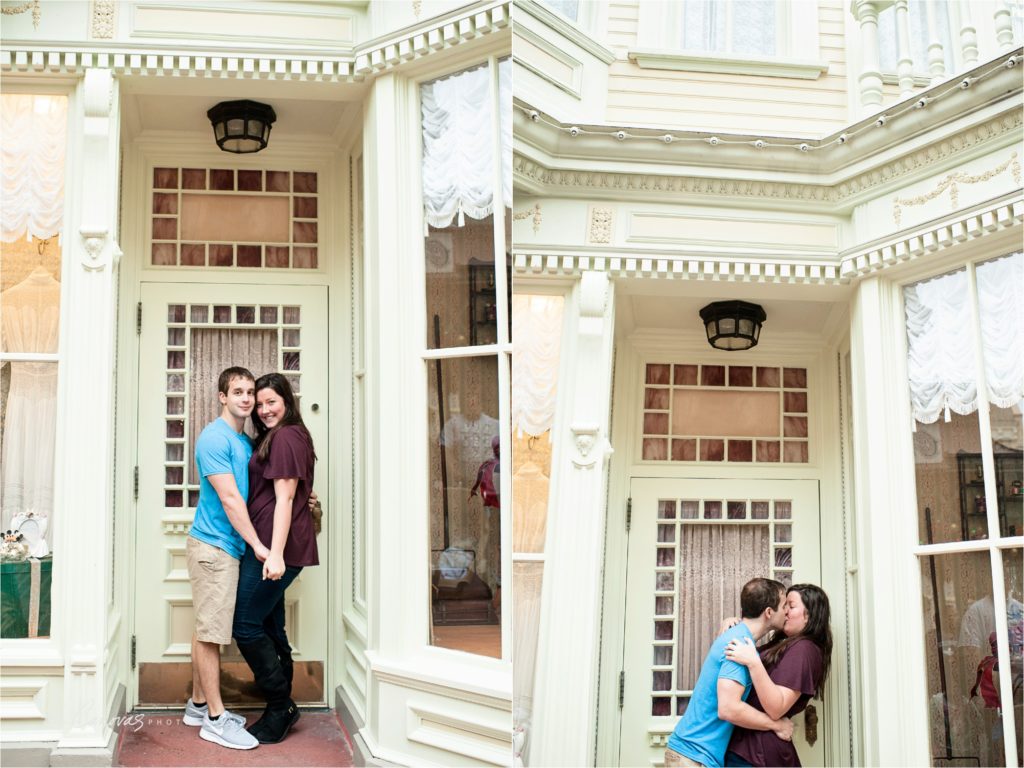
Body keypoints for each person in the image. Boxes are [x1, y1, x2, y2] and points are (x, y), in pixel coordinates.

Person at [232, 372, 319, 744]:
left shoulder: (285, 436)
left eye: (272, 402)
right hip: (270, 546)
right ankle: (282, 704)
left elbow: (284, 499)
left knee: (246, 626)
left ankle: (279, 704)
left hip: (272, 548)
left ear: (287, 403)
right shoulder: (284, 435)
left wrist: (276, 555)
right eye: (261, 403)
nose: (265, 409)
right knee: (269, 624)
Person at [183, 367, 267, 750]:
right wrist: (259, 545)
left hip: (225, 548)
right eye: (238, 391)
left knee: (206, 628)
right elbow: (232, 501)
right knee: (212, 634)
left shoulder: (244, 441)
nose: (246, 398)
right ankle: (216, 719)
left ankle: (199, 706)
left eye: (250, 392)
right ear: (222, 396)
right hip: (214, 548)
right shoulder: (213, 438)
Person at [665, 578, 794, 768]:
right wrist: (777, 725)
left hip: (694, 754)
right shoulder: (738, 644)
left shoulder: (738, 636)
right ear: (768, 612)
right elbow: (728, 708)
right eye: (784, 605)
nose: (787, 611)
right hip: (693, 757)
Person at [723, 584, 834, 767]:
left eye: (791, 606)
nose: (785, 612)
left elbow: (776, 708)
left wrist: (754, 662)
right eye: (784, 607)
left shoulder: (804, 649)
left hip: (759, 753)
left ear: (809, 616)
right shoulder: (782, 643)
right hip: (748, 747)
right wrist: (732, 626)